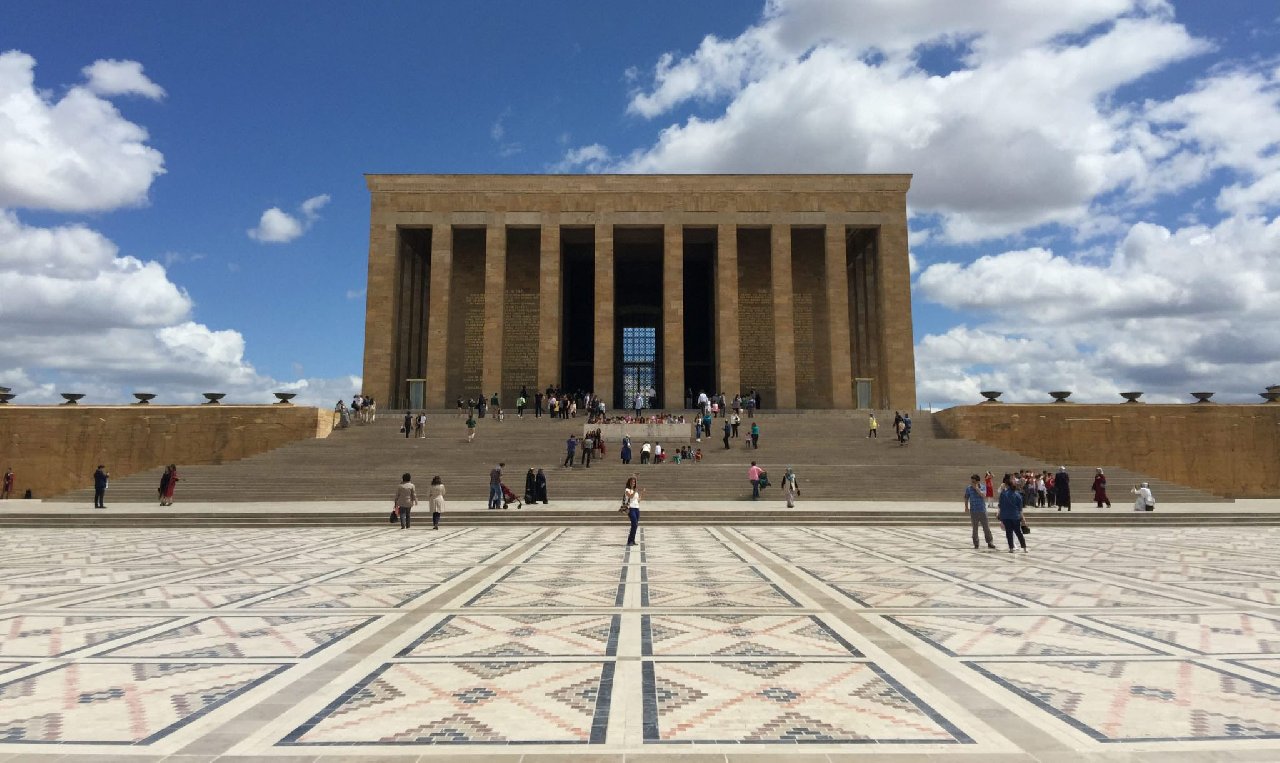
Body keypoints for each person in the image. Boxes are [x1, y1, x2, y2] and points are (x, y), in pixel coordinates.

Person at [965, 474, 997, 549]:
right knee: (975, 528)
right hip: (973, 511)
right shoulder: (969, 488)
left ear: (978, 481)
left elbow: (983, 495)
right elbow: (966, 497)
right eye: (971, 481)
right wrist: (966, 507)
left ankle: (990, 542)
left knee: (986, 527)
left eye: (974, 481)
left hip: (982, 510)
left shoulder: (982, 487)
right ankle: (976, 543)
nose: (972, 482)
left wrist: (976, 488)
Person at [997, 474, 1028, 553]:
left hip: (1006, 516)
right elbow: (1020, 509)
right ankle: (1024, 547)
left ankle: (1011, 548)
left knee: (1009, 533)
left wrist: (999, 514)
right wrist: (1023, 518)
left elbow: (1000, 505)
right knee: (1018, 532)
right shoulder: (1018, 495)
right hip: (1015, 516)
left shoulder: (1003, 494)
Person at [622, 475, 643, 546]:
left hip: (637, 508)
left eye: (634, 482)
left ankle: (633, 540)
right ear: (629, 482)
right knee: (634, 524)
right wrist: (634, 491)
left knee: (635, 525)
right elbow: (630, 496)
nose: (633, 483)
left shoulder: (635, 491)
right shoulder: (627, 490)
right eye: (632, 482)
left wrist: (642, 495)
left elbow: (638, 500)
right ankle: (629, 541)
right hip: (631, 508)